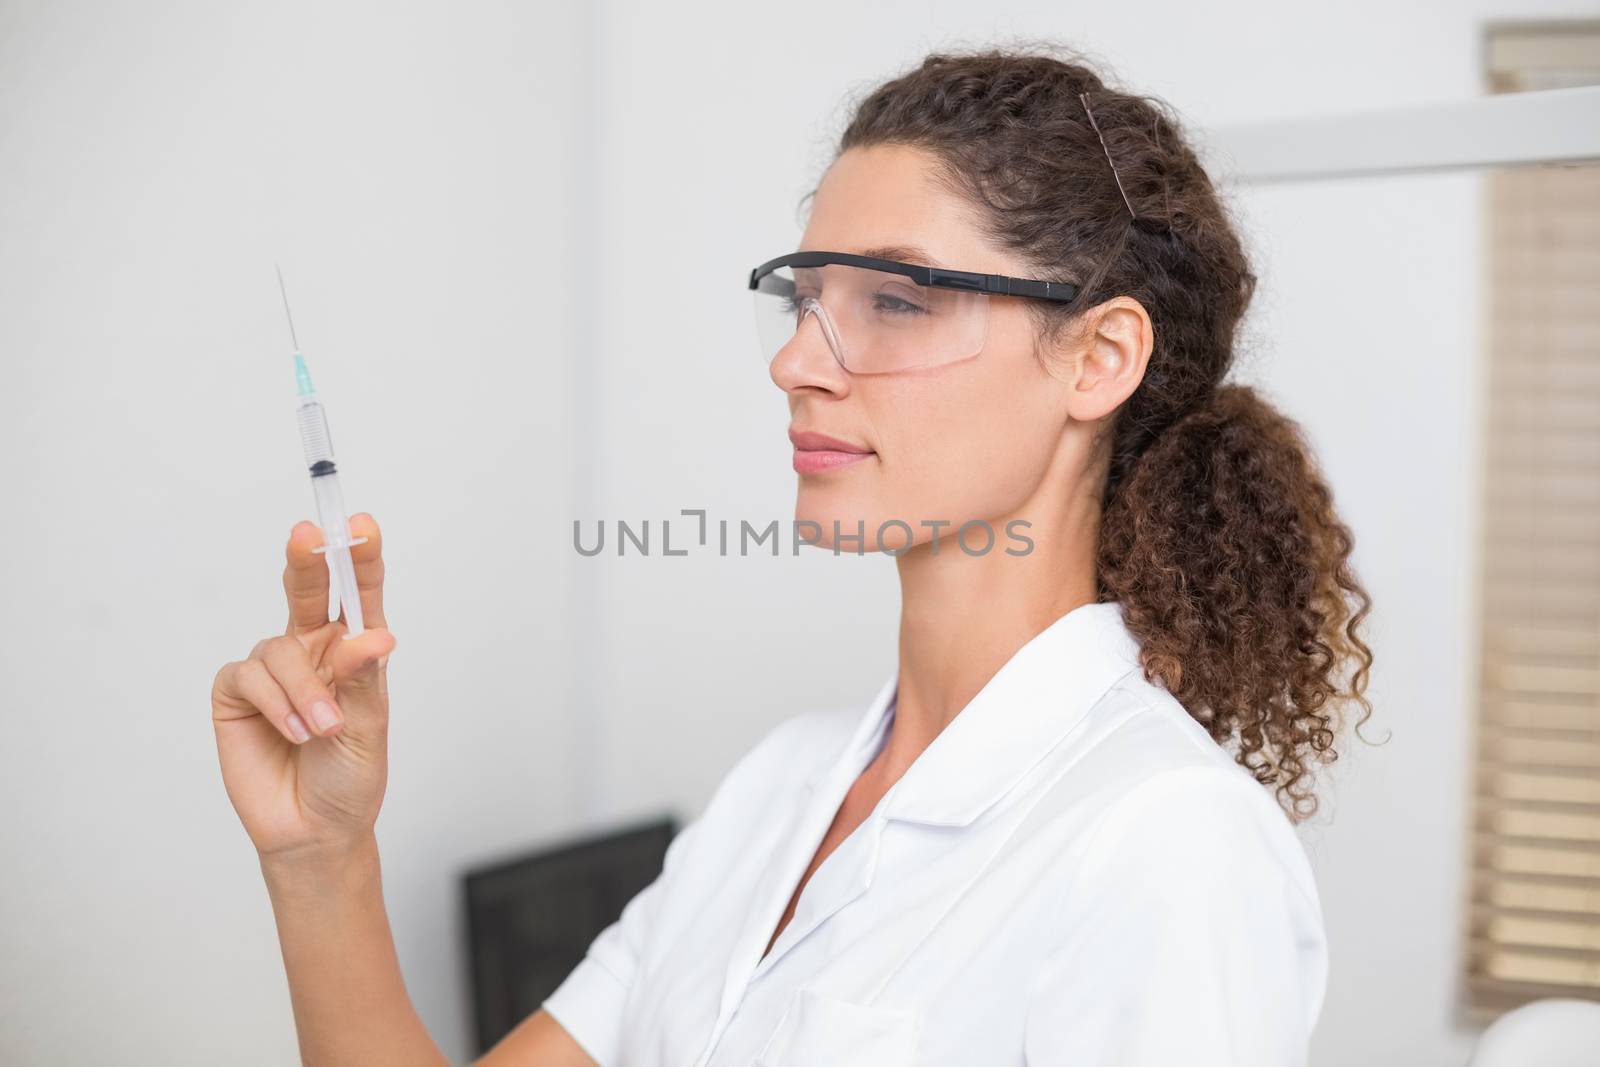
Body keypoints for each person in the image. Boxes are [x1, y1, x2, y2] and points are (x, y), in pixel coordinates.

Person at [211, 42, 1374, 1067]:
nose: (797, 364)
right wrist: (324, 857)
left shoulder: (1163, 841)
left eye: (898, 301)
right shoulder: (780, 787)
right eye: (804, 298)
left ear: (1097, 356)